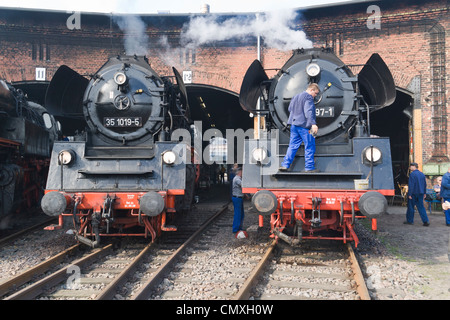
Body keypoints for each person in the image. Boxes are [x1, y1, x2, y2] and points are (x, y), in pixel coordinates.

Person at [280, 83, 319, 172]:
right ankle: (309, 167)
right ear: (311, 90)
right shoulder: (308, 97)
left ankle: (285, 165)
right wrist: (313, 124)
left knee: (292, 146)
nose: (315, 96)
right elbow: (308, 111)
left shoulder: (296, 96)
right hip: (305, 126)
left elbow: (290, 109)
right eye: (315, 93)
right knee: (310, 145)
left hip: (294, 125)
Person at [232, 168, 245, 233]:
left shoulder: (238, 178)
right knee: (238, 214)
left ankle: (239, 228)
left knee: (241, 214)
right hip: (237, 198)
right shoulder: (237, 179)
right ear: (240, 172)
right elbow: (243, 185)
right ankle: (236, 229)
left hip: (239, 198)